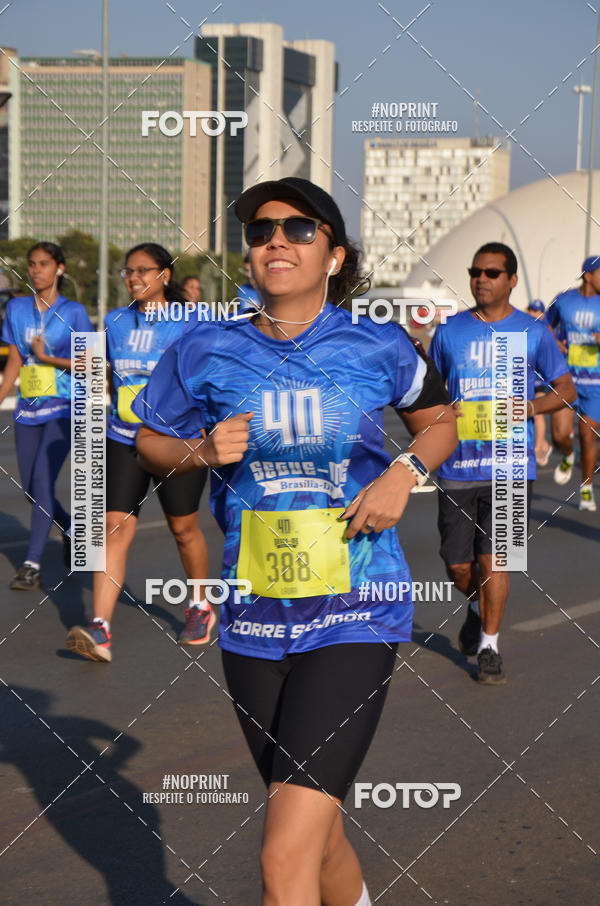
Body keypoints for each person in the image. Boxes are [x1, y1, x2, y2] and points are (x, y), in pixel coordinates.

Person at [133, 177, 458, 906]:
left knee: (283, 857)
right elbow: (149, 441)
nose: (276, 240)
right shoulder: (204, 348)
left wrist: (403, 474)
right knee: (317, 828)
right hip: (252, 615)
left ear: (334, 256)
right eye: (261, 231)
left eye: (299, 229)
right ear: (249, 256)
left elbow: (441, 422)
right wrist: (198, 451)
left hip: (356, 608)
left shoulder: (377, 343)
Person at [430, 242, 575, 684]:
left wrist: (530, 408)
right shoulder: (449, 331)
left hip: (511, 464)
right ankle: (475, 606)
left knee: (496, 560)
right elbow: (429, 393)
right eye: (475, 271)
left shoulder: (531, 332)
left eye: (492, 273)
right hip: (457, 465)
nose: (481, 279)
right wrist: (442, 410)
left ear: (511, 280)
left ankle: (490, 646)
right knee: (458, 565)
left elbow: (566, 388)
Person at [66, 243, 211, 663]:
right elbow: (105, 375)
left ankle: (200, 605)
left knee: (184, 530)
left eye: (143, 270)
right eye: (127, 272)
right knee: (112, 527)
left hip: (176, 440)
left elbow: (208, 373)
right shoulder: (115, 321)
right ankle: (100, 628)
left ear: (165, 275)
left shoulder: (191, 320)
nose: (133, 278)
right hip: (123, 437)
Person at [0, 241, 93, 589]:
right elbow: (15, 358)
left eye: (44, 263)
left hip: (64, 408)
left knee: (42, 481)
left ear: (59, 268)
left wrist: (47, 358)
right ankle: (72, 528)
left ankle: (31, 564)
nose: (36, 270)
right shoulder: (16, 308)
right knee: (30, 489)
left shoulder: (74, 312)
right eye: (32, 263)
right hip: (28, 408)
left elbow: (88, 363)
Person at [546, 256, 600, 511]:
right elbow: (545, 323)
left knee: (587, 435)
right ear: (588, 275)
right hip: (566, 379)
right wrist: (556, 342)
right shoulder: (565, 300)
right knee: (559, 435)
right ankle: (568, 454)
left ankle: (586, 489)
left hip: (596, 383)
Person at [526, 299, 553, 466]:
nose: (533, 313)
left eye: (536, 311)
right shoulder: (525, 327)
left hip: (541, 377)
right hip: (527, 377)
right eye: (531, 310)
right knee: (527, 411)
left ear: (542, 314)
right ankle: (543, 445)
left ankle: (538, 447)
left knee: (537, 411)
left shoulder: (545, 329)